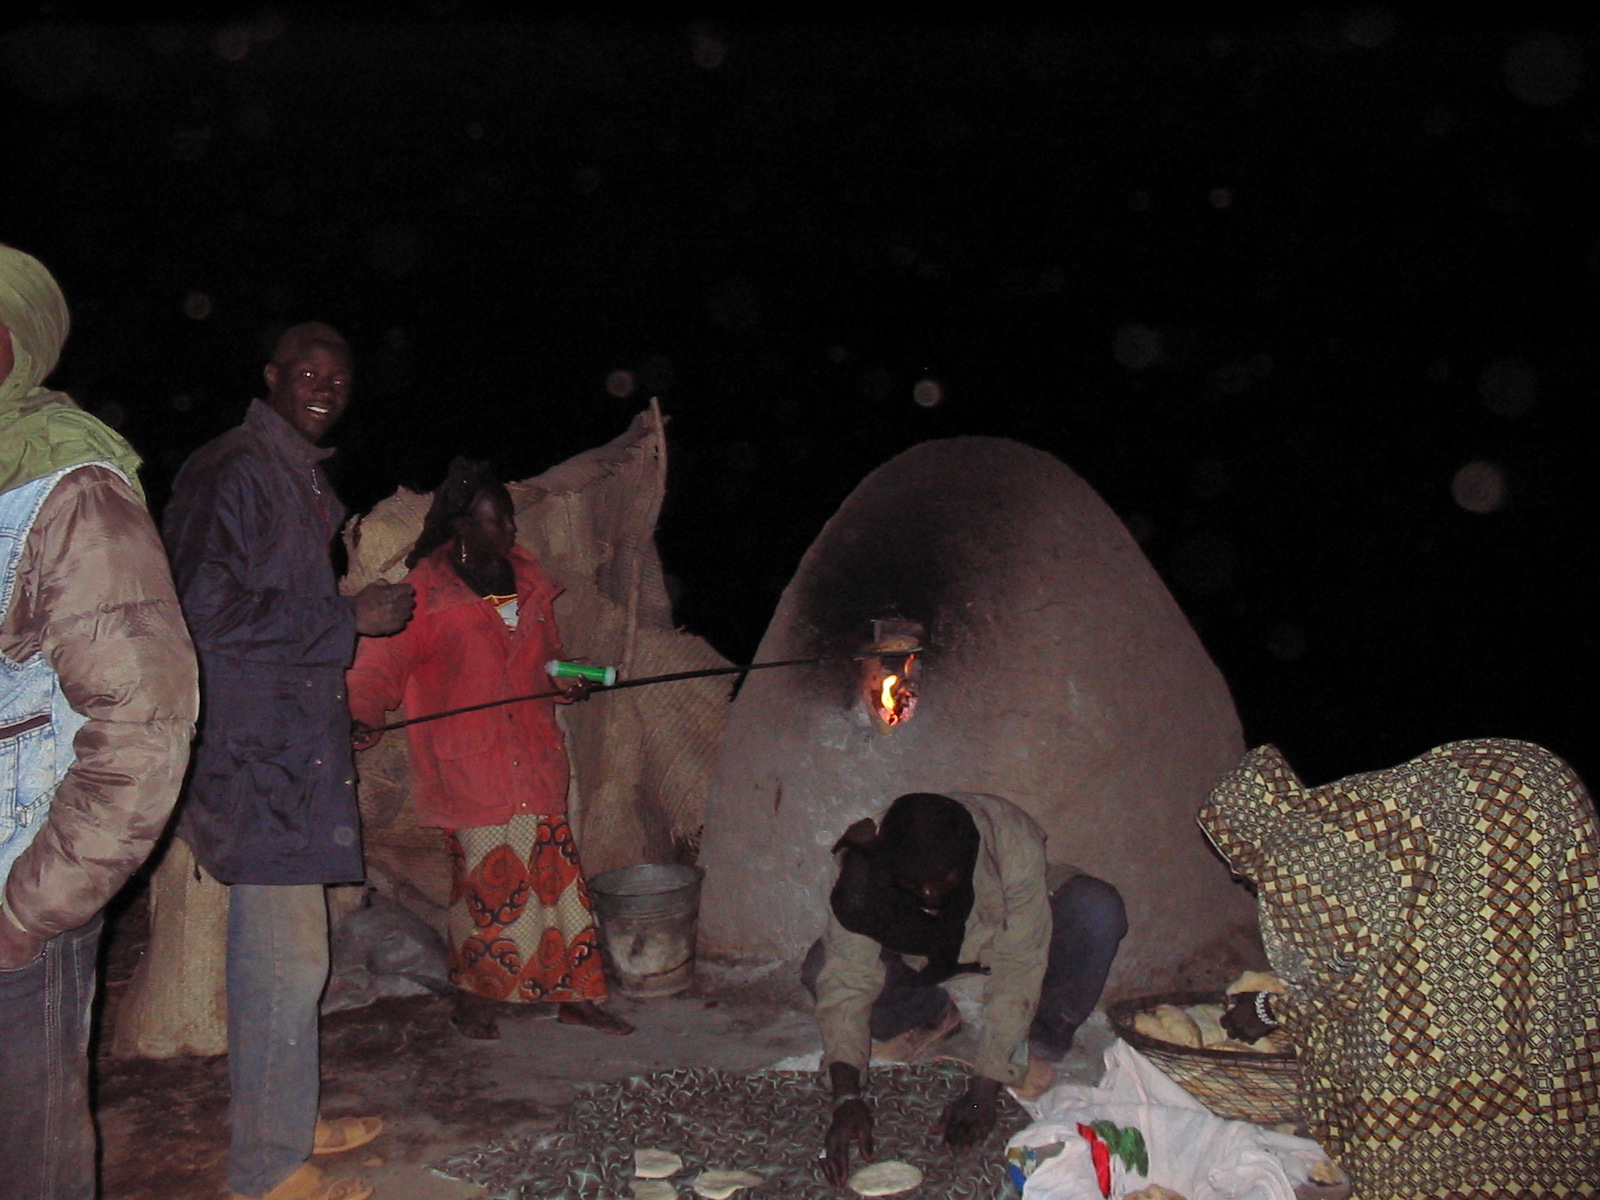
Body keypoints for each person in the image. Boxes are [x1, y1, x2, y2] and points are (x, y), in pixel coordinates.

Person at [164, 322, 416, 1200]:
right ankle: (266, 1169)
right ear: (270, 376)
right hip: (254, 764)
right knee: (277, 963)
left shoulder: (291, 477)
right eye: (307, 372)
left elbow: (268, 623)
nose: (324, 387)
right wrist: (349, 620)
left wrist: (329, 714)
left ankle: (288, 1121)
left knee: (296, 959)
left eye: (339, 378)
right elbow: (201, 613)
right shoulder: (233, 469)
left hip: (288, 754)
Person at [0, 244, 199, 1200]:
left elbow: (146, 719)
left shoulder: (68, 490)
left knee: (28, 1163)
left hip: (10, 908)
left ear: (14, 345)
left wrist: (30, 907)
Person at [1197, 739, 1600, 1199]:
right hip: (1542, 802)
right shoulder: (1349, 812)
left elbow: (1340, 985)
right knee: (1545, 1013)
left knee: (1417, 1054)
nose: (1235, 872)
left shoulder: (1301, 858)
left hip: (1508, 810)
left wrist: (1271, 1010)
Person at [346, 458, 633, 1040]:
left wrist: (567, 681)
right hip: (467, 766)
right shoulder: (424, 593)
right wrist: (359, 715)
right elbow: (379, 668)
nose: (508, 532)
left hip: (534, 757)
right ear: (460, 526)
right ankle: (473, 1000)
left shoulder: (528, 584)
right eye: (493, 521)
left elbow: (544, 661)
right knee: (488, 895)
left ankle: (576, 994)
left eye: (507, 520)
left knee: (558, 890)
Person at [806, 791, 1127, 1186]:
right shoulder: (868, 860)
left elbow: (1020, 962)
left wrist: (987, 1081)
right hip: (922, 952)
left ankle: (1039, 1038)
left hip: (998, 928)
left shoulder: (1007, 840)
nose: (929, 895)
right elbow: (845, 979)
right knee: (820, 966)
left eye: (944, 880)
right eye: (914, 882)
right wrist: (846, 1096)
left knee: (1096, 909)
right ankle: (927, 1015)